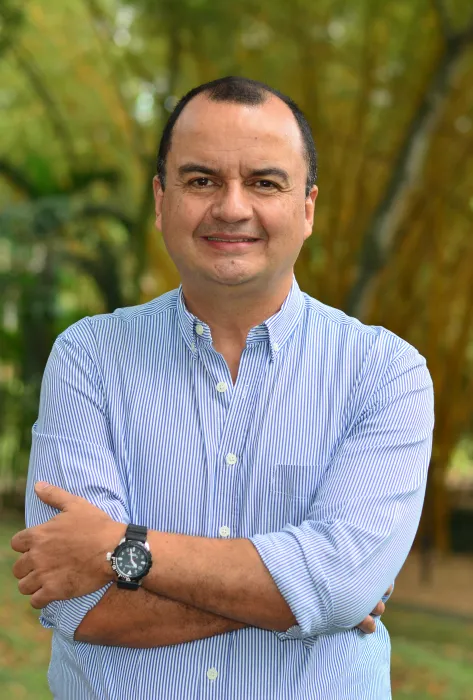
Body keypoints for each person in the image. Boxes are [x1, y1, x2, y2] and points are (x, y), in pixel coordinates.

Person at [11, 76, 433, 699]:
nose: (232, 208)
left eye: (264, 182)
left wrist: (124, 550)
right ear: (161, 200)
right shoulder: (88, 358)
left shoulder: (386, 372)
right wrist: (313, 593)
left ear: (307, 207)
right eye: (202, 180)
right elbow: (80, 603)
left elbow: (341, 584)